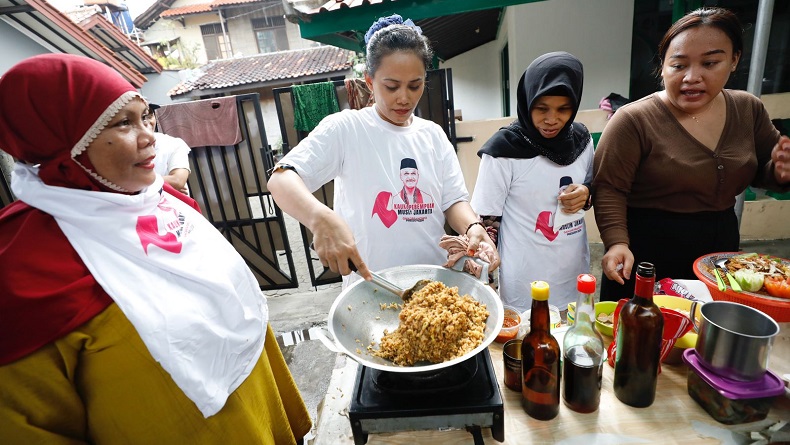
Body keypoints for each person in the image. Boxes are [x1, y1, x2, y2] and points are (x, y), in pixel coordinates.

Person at [0, 54, 312, 444]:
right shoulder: (24, 273)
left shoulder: (166, 204)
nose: (151, 136)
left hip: (259, 418)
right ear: (64, 145)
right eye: (122, 123)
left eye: (145, 116)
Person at [267, 14, 499, 285]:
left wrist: (473, 227)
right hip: (372, 288)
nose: (404, 97)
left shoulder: (433, 135)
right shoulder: (347, 129)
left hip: (433, 285)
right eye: (391, 86)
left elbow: (453, 201)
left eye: (415, 85)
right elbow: (281, 179)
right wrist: (319, 218)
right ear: (369, 81)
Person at [592, 7, 790, 301]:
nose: (692, 77)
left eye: (710, 63)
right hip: (646, 254)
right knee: (642, 335)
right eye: (679, 65)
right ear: (662, 66)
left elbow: (762, 168)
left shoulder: (748, 109)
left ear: (734, 60)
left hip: (718, 256)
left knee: (709, 335)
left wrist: (779, 172)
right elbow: (609, 188)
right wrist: (617, 242)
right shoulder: (633, 120)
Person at [471, 52, 593, 311]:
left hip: (573, 271)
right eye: (541, 108)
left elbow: (596, 184)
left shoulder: (582, 141)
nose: (552, 119)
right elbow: (486, 222)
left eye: (563, 109)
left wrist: (587, 193)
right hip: (524, 279)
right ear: (527, 102)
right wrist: (486, 275)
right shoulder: (503, 151)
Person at [146, 103, 192, 195]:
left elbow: (178, 181)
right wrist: (166, 186)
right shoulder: (124, 150)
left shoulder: (173, 143)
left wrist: (138, 185)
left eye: (150, 115)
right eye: (142, 117)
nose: (147, 122)